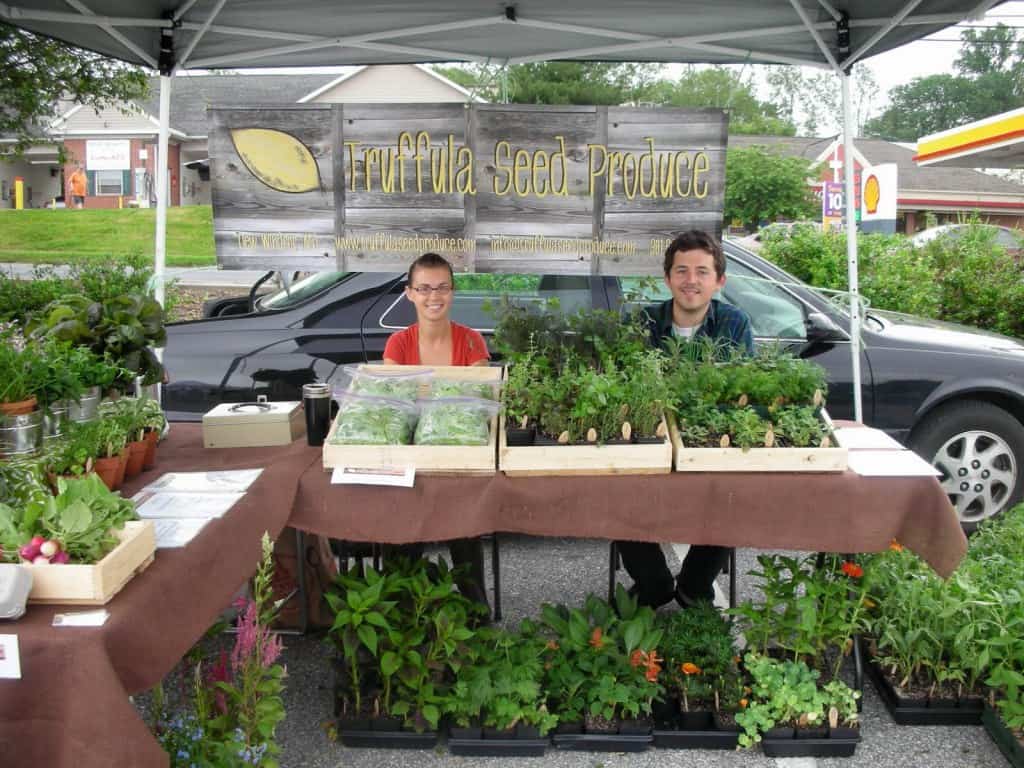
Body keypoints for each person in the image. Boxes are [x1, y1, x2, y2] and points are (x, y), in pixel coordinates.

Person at [616, 229, 754, 610]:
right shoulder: (643, 321)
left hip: (709, 440)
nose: (691, 280)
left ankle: (694, 586)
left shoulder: (734, 323)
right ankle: (653, 583)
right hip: (651, 438)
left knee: (735, 491)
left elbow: (742, 389)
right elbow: (625, 384)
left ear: (719, 280)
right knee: (616, 487)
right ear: (667, 278)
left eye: (702, 271)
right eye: (681, 270)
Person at [382, 252, 491, 613]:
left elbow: (477, 406)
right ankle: (403, 611)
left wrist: (425, 393)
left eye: (442, 287)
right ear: (410, 293)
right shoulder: (398, 344)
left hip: (459, 464)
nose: (434, 296)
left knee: (463, 524)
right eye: (425, 288)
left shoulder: (471, 341)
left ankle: (475, 611)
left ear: (452, 291)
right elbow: (396, 407)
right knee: (402, 525)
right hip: (410, 465)